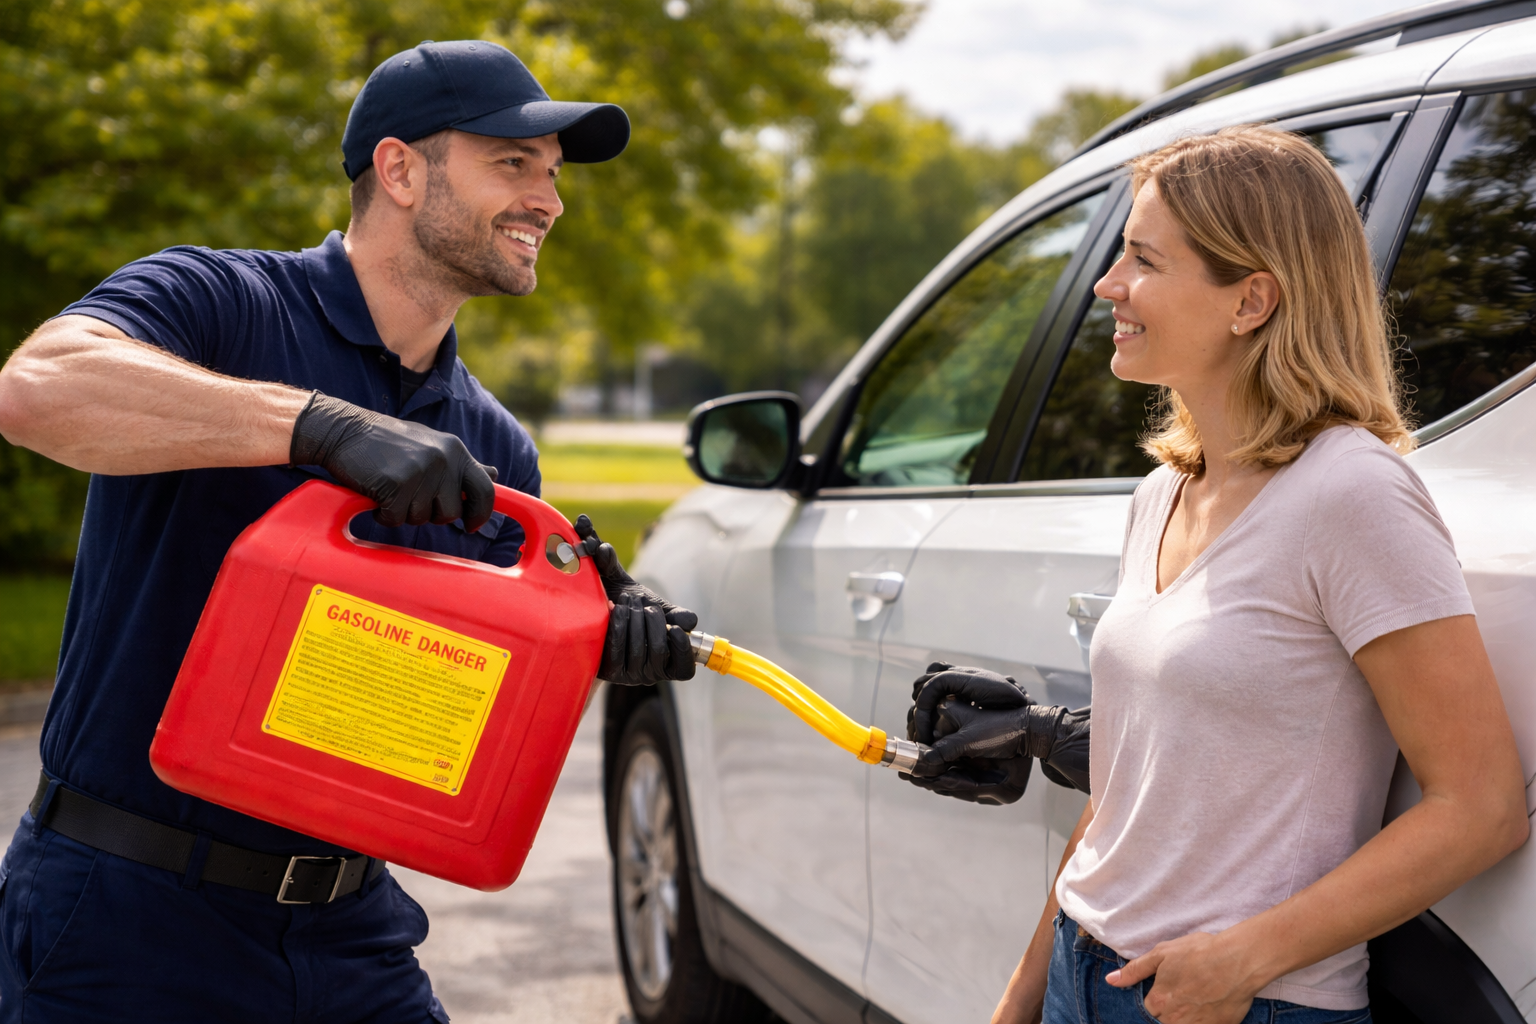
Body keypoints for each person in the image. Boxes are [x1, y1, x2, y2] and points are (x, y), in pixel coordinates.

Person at [0, 40, 695, 1023]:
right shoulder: (218, 303)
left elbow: (433, 724)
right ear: (401, 169)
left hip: (349, 932)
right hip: (123, 918)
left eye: (553, 174)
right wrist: (321, 429)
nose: (549, 199)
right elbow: (33, 390)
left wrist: (581, 643)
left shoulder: (493, 448)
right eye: (513, 164)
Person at [902, 126, 1528, 1024]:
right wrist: (1022, 1000)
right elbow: (1122, 802)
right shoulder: (1163, 492)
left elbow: (1482, 805)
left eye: (1144, 261)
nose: (1108, 285)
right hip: (1085, 971)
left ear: (1252, 301)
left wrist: (1242, 959)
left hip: (1230, 1000)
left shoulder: (1352, 494)